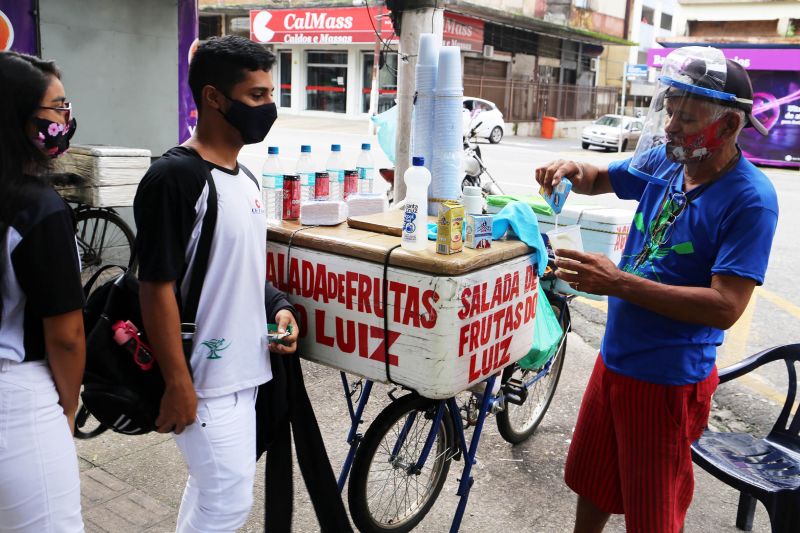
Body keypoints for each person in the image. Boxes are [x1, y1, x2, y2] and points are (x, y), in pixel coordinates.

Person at [536, 47, 779, 532]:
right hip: (616, 360)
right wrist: (567, 168)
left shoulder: (751, 200)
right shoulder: (669, 162)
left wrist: (618, 282)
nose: (670, 127)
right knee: (594, 482)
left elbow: (726, 305)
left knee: (653, 512)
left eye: (686, 119)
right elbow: (599, 176)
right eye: (669, 111)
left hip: (666, 380)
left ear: (729, 128)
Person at [133, 36, 298, 531]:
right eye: (257, 96)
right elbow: (155, 286)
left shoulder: (243, 178)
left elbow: (241, 268)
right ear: (213, 98)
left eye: (271, 94)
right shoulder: (174, 178)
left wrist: (278, 306)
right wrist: (178, 381)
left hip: (246, 373)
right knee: (227, 504)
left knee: (212, 494)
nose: (269, 108)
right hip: (204, 379)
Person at [0, 51, 84, 531]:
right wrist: (66, 408)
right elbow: (67, 335)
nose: (65, 120)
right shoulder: (38, 208)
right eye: (57, 108)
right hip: (19, 399)